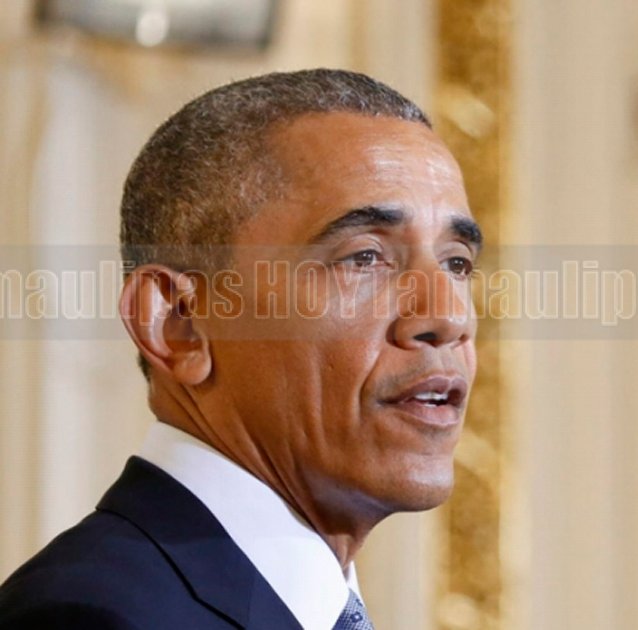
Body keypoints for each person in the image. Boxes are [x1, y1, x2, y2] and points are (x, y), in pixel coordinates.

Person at [0, 69, 480, 629]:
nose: (447, 317)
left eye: (457, 263)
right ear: (178, 324)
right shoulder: (93, 617)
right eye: (365, 257)